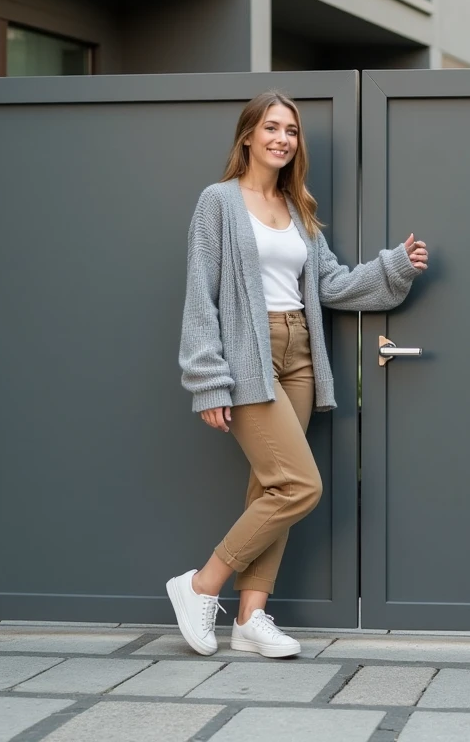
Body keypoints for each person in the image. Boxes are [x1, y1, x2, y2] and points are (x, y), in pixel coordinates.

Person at [169, 91, 429, 658]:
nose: (282, 138)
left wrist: (393, 266)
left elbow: (330, 284)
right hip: (248, 354)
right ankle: (199, 585)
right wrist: (208, 380)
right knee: (300, 486)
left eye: (291, 130)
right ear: (247, 136)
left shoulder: (298, 208)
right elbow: (200, 295)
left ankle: (250, 619)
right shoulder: (218, 202)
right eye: (271, 128)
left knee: (270, 486)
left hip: (301, 357)